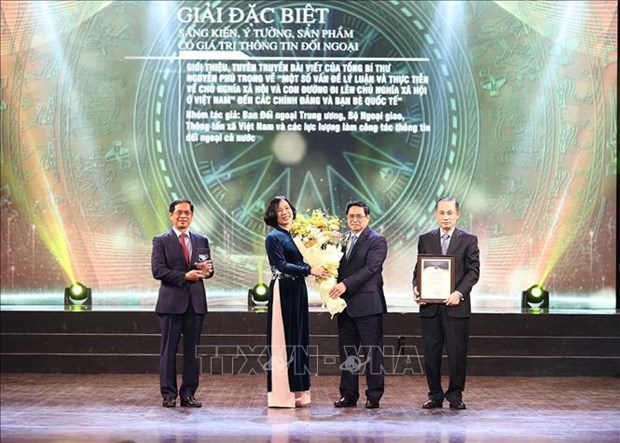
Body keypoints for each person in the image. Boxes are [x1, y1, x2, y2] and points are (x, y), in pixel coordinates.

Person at [413, 196, 480, 410]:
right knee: (431, 354)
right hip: (430, 307)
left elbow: (473, 272)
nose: (445, 217)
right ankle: (435, 395)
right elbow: (418, 270)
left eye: (450, 213)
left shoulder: (469, 239)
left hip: (456, 306)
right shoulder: (425, 238)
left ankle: (455, 395)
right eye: (441, 213)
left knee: (457, 353)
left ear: (457, 214)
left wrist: (459, 293)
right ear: (435, 214)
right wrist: (416, 287)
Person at [263, 196, 327, 408]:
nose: (284, 212)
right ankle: (282, 394)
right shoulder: (274, 237)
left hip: (298, 289)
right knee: (284, 339)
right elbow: (280, 265)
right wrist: (310, 270)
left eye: (287, 208)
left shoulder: (299, 235)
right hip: (283, 289)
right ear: (273, 214)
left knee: (299, 339)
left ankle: (300, 391)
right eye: (279, 209)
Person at [151, 199, 214, 408]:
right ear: (171, 215)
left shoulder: (201, 239)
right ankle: (169, 395)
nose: (183, 216)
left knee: (191, 352)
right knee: (168, 351)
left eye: (187, 213)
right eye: (179, 212)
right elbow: (158, 271)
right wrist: (184, 276)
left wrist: (207, 271)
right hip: (171, 304)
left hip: (195, 304)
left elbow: (209, 269)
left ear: (192, 216)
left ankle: (188, 394)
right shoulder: (161, 240)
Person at [328, 201, 388, 409]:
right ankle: (348, 394)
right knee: (348, 353)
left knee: (372, 354)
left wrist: (345, 284)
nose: (355, 220)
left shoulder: (377, 240)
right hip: (345, 306)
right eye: (351, 216)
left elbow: (371, 269)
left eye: (359, 216)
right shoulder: (341, 240)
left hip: (368, 305)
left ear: (367, 218)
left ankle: (373, 395)